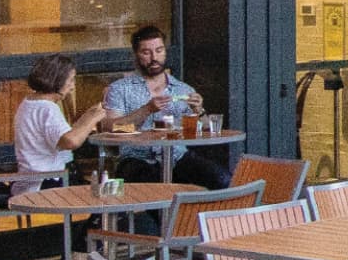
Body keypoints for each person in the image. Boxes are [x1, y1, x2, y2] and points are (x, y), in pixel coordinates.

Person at [98, 24, 230, 189]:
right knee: (159, 192)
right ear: (136, 55)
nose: (154, 57)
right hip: (136, 157)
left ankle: (196, 215)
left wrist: (199, 110)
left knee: (222, 179)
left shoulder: (183, 89)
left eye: (159, 50)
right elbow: (111, 127)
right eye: (147, 52)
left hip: (177, 156)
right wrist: (146, 110)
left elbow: (203, 128)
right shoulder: (120, 88)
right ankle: (173, 214)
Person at [12, 53, 114, 186]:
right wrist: (92, 119)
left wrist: (88, 116)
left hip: (36, 178)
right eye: (71, 80)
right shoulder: (47, 108)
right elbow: (70, 142)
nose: (72, 87)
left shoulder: (29, 102)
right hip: (50, 181)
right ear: (57, 79)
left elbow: (63, 135)